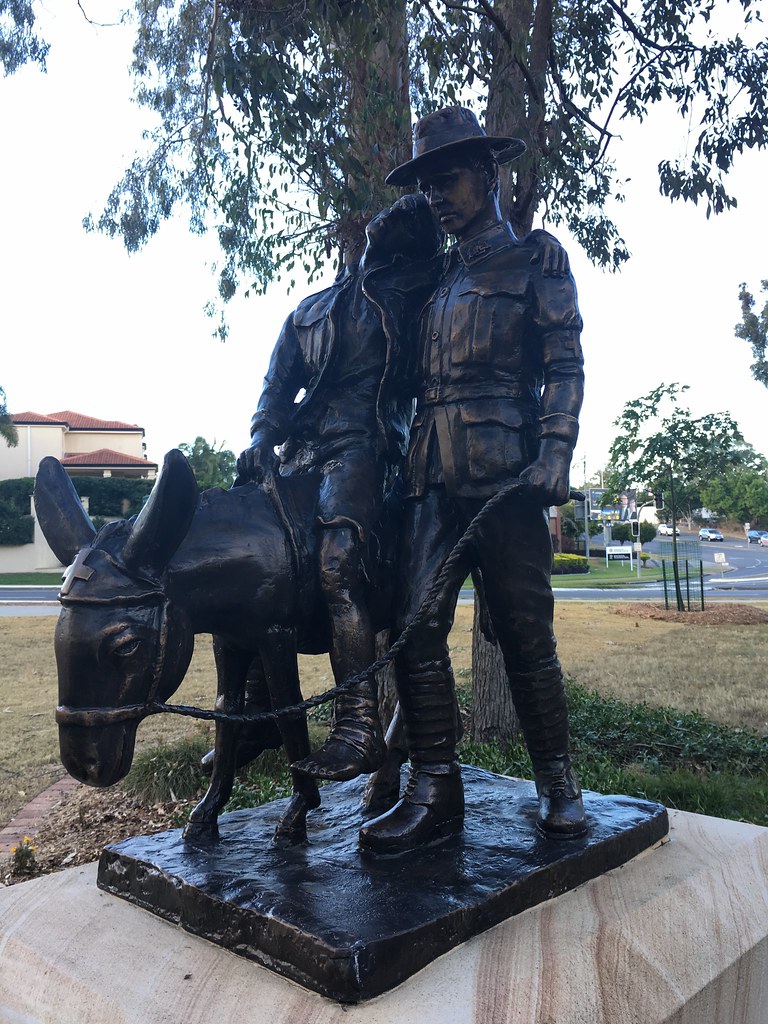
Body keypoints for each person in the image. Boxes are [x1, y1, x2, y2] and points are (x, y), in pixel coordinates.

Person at [359, 106, 587, 853]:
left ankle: (556, 778)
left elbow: (564, 365)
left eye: (447, 178)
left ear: (488, 174)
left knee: (525, 632)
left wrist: (555, 452)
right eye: (425, 184)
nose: (434, 194)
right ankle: (436, 790)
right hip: (431, 473)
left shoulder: (535, 260)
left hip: (506, 476)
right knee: (415, 626)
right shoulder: (434, 279)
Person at [236, 203, 442, 782]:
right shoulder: (311, 311)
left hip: (367, 446)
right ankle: (256, 712)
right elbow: (276, 387)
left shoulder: (418, 296)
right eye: (380, 223)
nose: (386, 224)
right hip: (304, 450)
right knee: (258, 560)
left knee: (336, 565)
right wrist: (261, 437)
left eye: (400, 227)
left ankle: (358, 725)